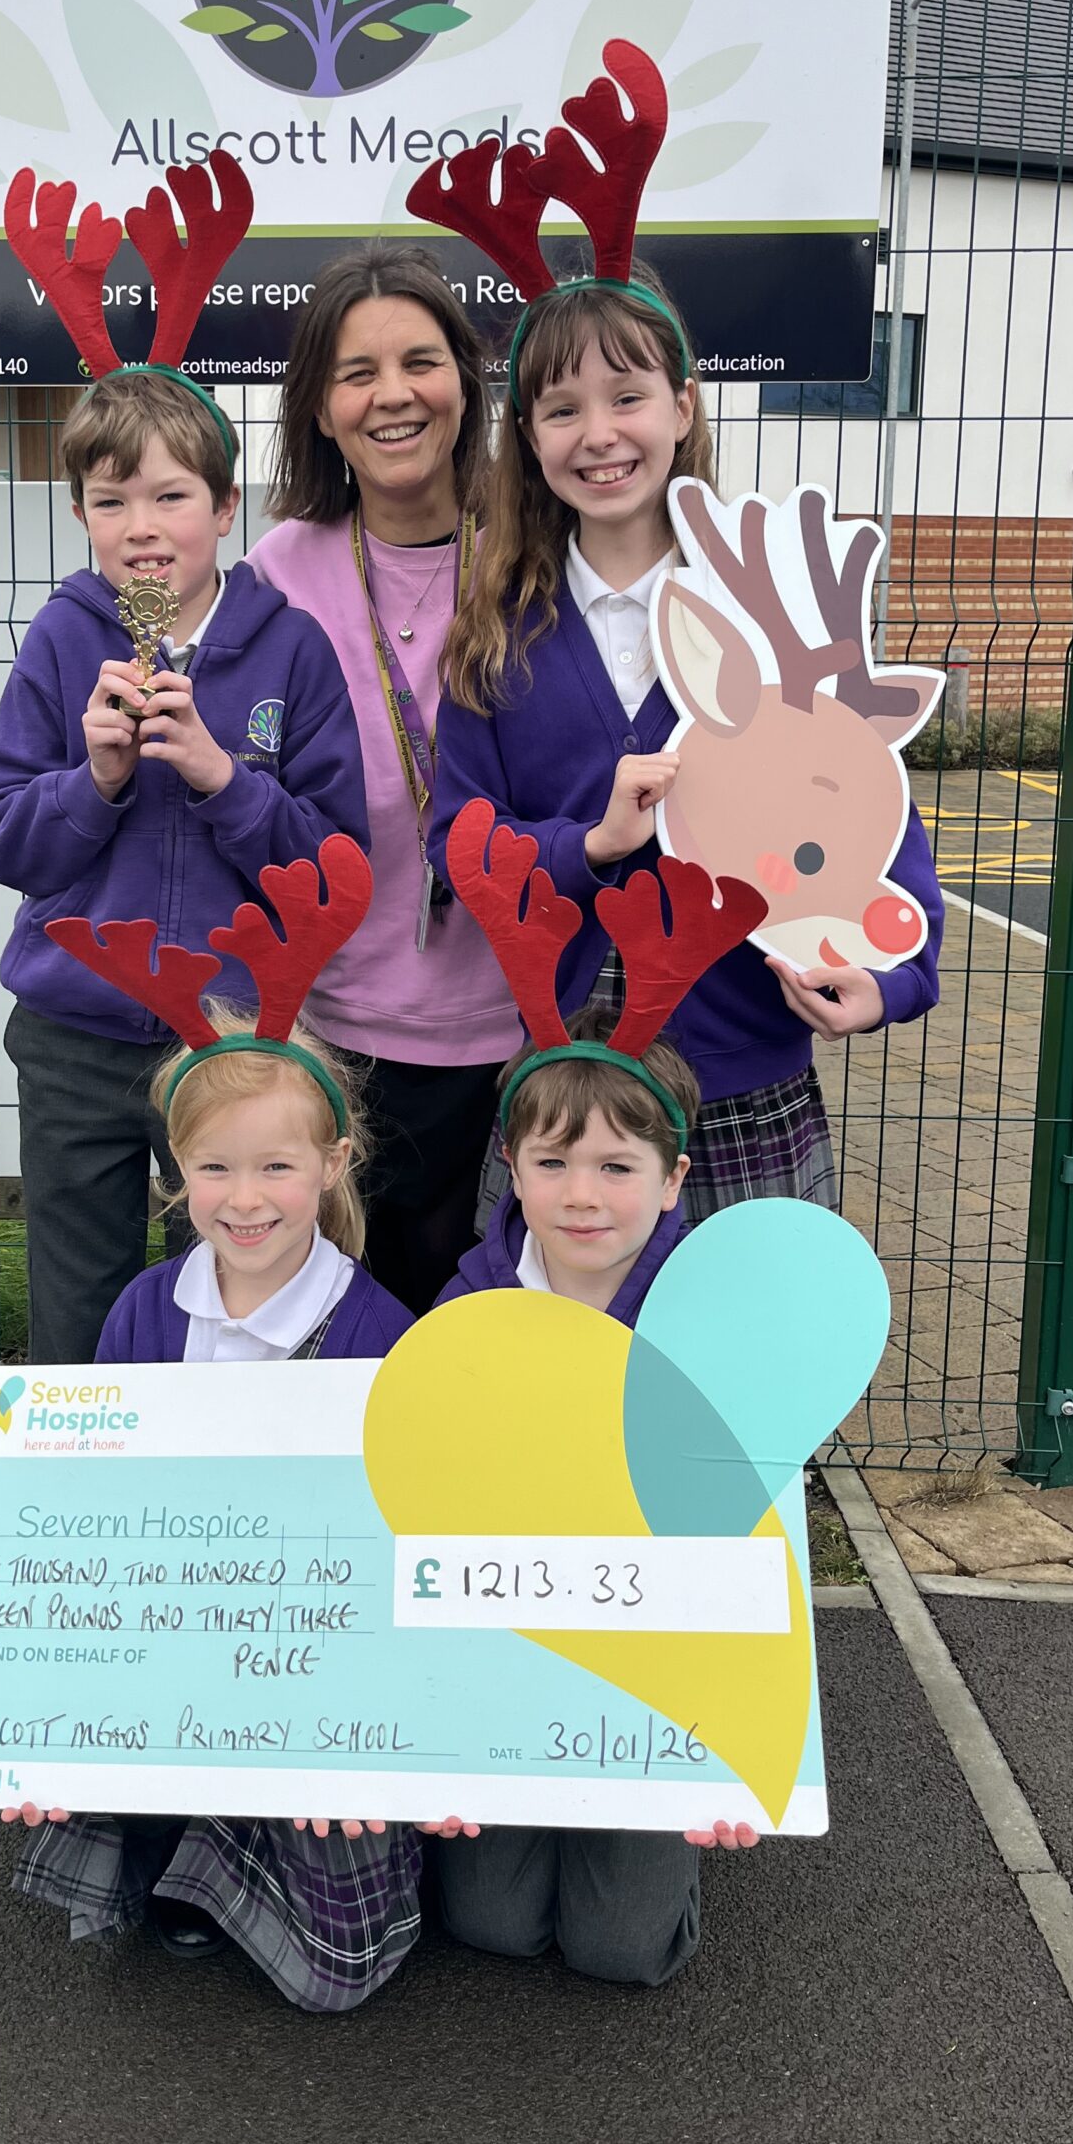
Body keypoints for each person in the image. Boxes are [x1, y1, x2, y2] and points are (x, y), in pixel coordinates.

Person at [419, 47, 942, 1221]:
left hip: (743, 1075)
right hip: (566, 1090)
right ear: (528, 435)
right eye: (559, 408)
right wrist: (587, 845)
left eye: (627, 396)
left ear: (685, 405)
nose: (597, 433)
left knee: (738, 1389)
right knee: (560, 1379)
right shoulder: (495, 637)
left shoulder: (780, 610)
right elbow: (461, 844)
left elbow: (872, 807)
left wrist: (893, 979)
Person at [1, 850, 429, 2013]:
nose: (247, 1198)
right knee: (110, 1725)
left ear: (332, 1164)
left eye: (278, 1166)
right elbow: (91, 1522)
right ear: (176, 1170)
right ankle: (176, 1846)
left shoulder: (379, 1332)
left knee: (336, 1976)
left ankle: (241, 1854)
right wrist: (29, 1710)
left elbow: (394, 1545)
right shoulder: (146, 1308)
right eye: (214, 1167)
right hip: (177, 1630)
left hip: (317, 1654)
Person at [0, 156, 368, 1363]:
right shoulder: (62, 636)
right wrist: (88, 779)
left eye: (170, 496)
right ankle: (90, 1511)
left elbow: (334, 859)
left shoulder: (287, 649)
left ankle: (247, 1484)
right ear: (82, 515)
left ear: (225, 508)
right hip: (81, 1030)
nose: (142, 528)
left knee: (251, 1278)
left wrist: (217, 776)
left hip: (234, 1030)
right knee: (83, 1298)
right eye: (109, 501)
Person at [421, 803, 766, 1983]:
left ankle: (658, 1838)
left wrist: (736, 1751)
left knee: (622, 1947)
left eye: (617, 1165)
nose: (582, 1193)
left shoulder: (708, 1330)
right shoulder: (461, 1317)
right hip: (511, 1655)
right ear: (509, 1166)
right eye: (553, 1159)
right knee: (490, 1922)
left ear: (673, 1182)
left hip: (648, 1671)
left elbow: (747, 1548)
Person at [248, 247, 519, 1313]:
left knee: (481, 1321)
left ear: (467, 379)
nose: (393, 394)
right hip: (337, 1019)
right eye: (358, 373)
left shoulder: (533, 550)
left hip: (514, 1018)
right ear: (319, 406)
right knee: (344, 1318)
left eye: (421, 361)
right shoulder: (281, 568)